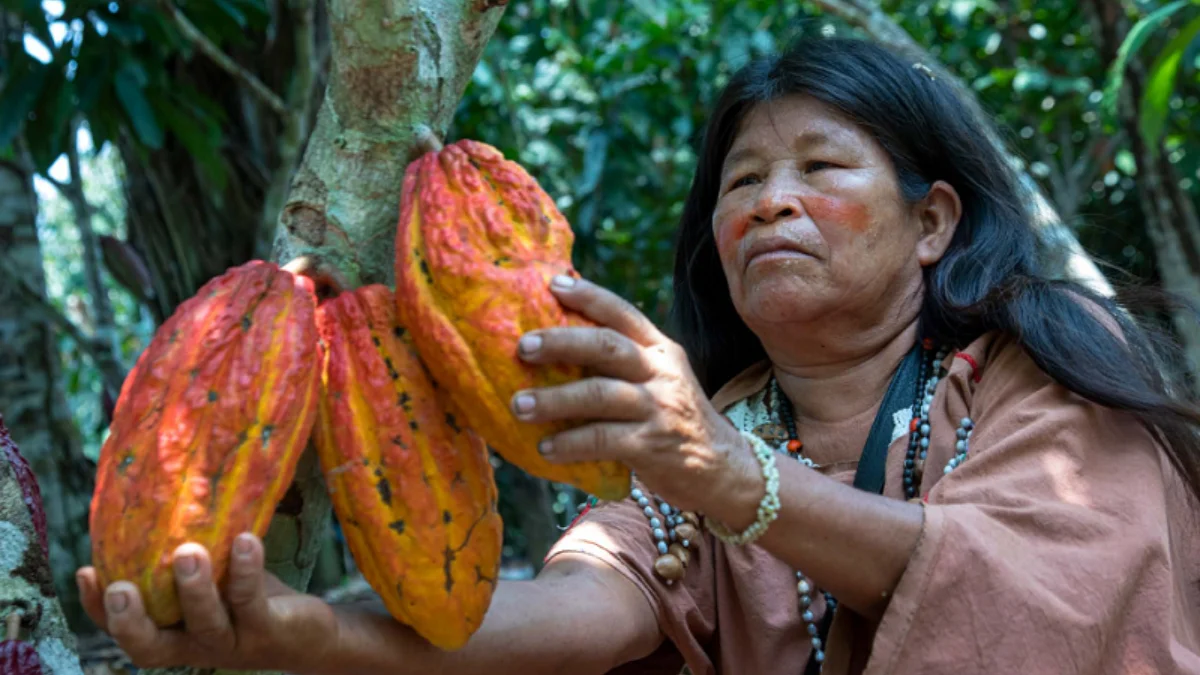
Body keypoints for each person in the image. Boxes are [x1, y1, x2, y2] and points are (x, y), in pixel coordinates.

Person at [76, 37, 1200, 674]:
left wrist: (730, 477)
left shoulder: (1042, 360)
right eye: (742, 182)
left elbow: (1051, 593)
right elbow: (582, 609)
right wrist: (311, 631)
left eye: (821, 168)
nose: (770, 203)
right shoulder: (709, 422)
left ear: (934, 222)